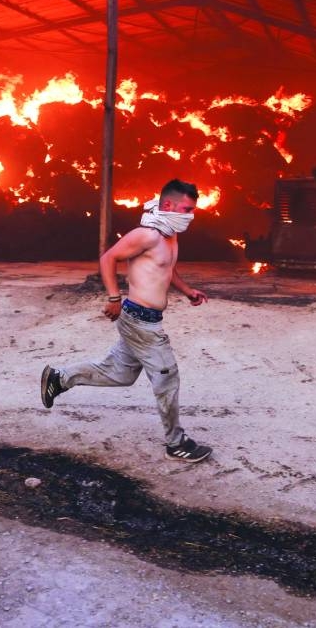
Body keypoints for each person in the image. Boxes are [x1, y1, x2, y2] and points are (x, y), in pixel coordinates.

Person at [40, 179, 213, 463]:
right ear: (168, 205)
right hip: (140, 321)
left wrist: (187, 290)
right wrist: (113, 298)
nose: (190, 216)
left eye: (193, 210)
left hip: (147, 319)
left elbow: (167, 267)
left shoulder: (170, 235)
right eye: (186, 209)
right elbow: (108, 258)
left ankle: (59, 379)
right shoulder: (147, 235)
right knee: (167, 378)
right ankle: (176, 442)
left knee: (120, 373)